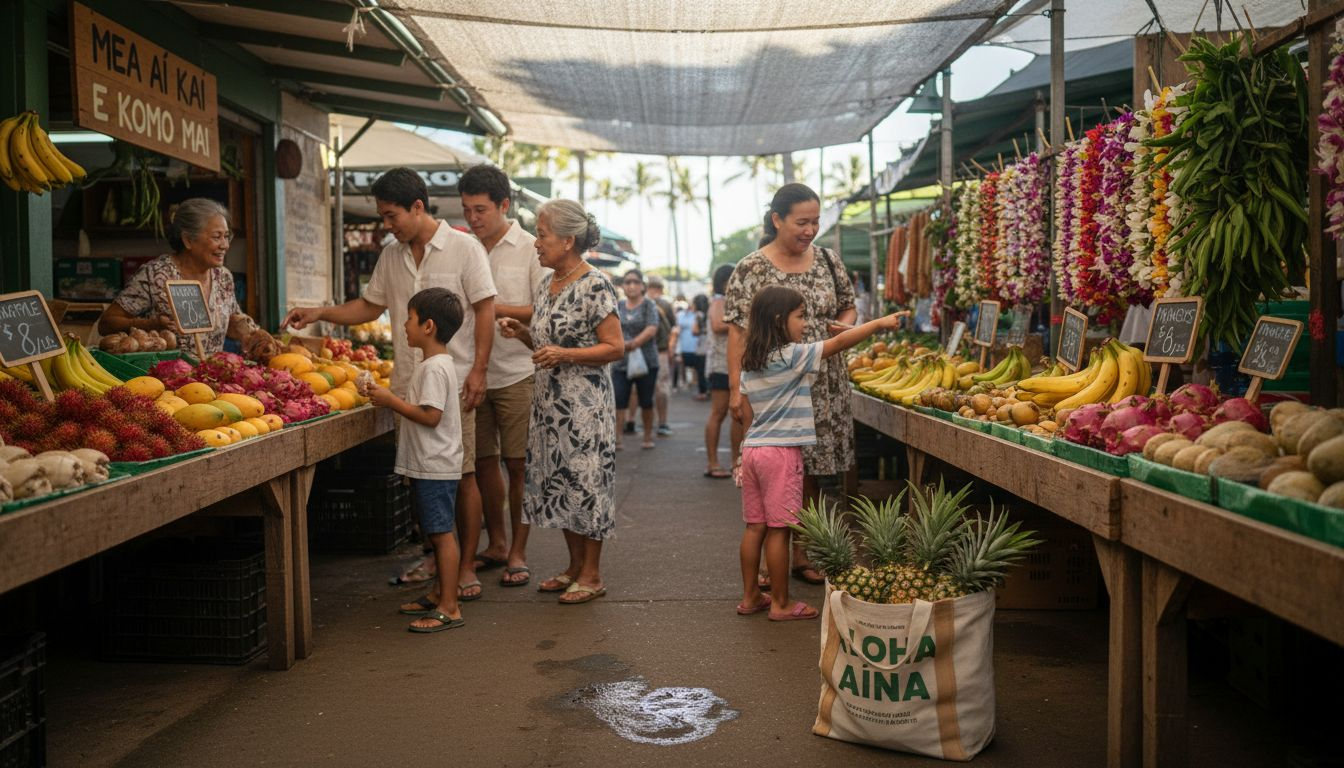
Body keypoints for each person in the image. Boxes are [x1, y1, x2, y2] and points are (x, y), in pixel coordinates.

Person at [282, 167, 497, 602]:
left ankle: (466, 566)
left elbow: (485, 309)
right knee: (422, 477)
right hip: (406, 384)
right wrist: (319, 313)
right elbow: (368, 306)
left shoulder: (464, 247)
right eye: (382, 216)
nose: (387, 224)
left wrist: (478, 370)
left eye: (391, 215)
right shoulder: (391, 255)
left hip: (454, 385)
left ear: (418, 207)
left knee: (465, 474)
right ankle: (438, 560)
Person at [735, 286, 906, 621]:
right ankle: (781, 603)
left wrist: (743, 453)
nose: (804, 324)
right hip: (781, 454)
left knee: (754, 527)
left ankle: (751, 596)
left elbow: (744, 412)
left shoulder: (751, 363)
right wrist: (878, 324)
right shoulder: (791, 355)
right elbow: (839, 345)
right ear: (778, 319)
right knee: (781, 529)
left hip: (754, 450)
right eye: (800, 316)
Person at [725, 183, 857, 586]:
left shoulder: (830, 262)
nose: (810, 230)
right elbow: (737, 333)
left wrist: (843, 327)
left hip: (823, 381)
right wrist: (735, 388)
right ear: (777, 219)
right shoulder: (750, 268)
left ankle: (802, 550)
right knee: (773, 473)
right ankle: (770, 558)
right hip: (772, 389)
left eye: (815, 221)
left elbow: (848, 306)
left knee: (812, 472)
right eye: (802, 221)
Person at [498, 199, 624, 605]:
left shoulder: (595, 284)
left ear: (568, 240)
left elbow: (614, 347)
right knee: (561, 484)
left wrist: (565, 355)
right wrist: (521, 332)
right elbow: (546, 343)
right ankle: (573, 566)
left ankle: (593, 574)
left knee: (587, 484)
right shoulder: (547, 283)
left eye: (542, 235)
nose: (537, 243)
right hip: (550, 406)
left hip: (585, 407)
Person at [458, 164, 550, 588]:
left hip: (517, 372)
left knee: (519, 465)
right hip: (471, 372)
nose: (473, 219)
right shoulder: (464, 248)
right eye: (467, 210)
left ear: (504, 205)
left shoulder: (532, 248)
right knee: (481, 464)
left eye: (481, 210)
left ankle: (518, 550)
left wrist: (492, 308)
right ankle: (496, 544)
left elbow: (544, 308)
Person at [365, 288, 467, 633]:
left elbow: (430, 416)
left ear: (428, 326)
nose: (404, 325)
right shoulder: (434, 364)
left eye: (409, 318)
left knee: (441, 535)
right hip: (431, 463)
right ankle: (440, 592)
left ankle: (450, 607)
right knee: (435, 532)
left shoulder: (434, 369)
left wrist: (390, 401)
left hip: (435, 465)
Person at [98, 198, 282, 359]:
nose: (225, 245)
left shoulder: (223, 277)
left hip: (210, 378)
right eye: (217, 237)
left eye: (227, 237)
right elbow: (107, 323)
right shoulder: (157, 274)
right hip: (164, 383)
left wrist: (252, 334)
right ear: (187, 240)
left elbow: (231, 320)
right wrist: (148, 324)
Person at [613, 269, 660, 450]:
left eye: (635, 282)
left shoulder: (649, 305)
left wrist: (633, 343)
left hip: (647, 361)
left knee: (646, 400)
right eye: (627, 282)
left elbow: (652, 327)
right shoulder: (618, 305)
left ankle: (648, 436)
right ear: (623, 286)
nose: (631, 286)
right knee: (619, 399)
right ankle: (617, 438)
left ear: (642, 286)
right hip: (621, 361)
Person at [703, 264, 739, 479]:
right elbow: (717, 325)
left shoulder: (727, 301)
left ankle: (736, 462)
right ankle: (713, 463)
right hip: (720, 365)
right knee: (719, 413)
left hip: (732, 364)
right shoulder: (719, 300)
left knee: (737, 416)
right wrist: (744, 321)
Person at [645, 275, 678, 436]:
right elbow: (674, 327)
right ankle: (662, 422)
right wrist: (672, 347)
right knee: (661, 388)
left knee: (641, 390)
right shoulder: (665, 303)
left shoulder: (641, 302)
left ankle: (637, 422)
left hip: (643, 351)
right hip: (660, 351)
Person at [677, 295, 707, 399]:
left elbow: (694, 331)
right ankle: (707, 391)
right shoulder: (708, 313)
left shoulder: (698, 315)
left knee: (701, 371)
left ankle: (702, 392)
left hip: (701, 347)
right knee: (704, 370)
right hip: (709, 346)